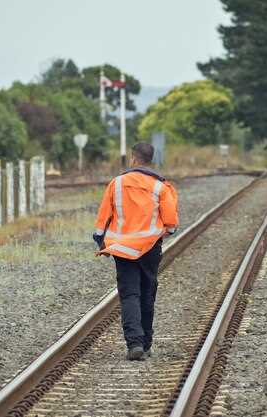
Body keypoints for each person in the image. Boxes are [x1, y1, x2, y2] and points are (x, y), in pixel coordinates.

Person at [93, 142, 179, 361]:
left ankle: (135, 344)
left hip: (122, 248)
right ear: (151, 160)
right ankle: (146, 343)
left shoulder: (117, 184)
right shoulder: (161, 187)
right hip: (150, 248)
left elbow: (102, 218)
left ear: (133, 158)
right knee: (147, 291)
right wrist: (161, 233)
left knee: (130, 294)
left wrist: (100, 240)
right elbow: (171, 224)